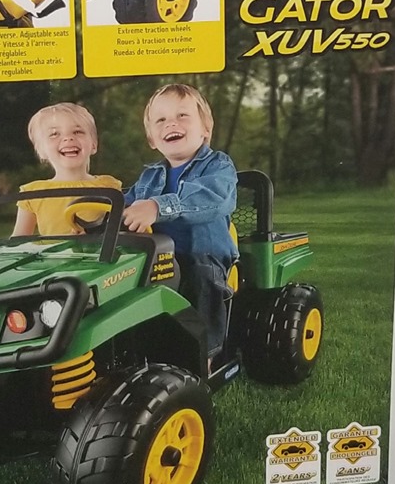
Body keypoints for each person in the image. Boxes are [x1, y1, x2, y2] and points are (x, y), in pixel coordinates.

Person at [122, 84, 238, 361]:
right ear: (152, 139)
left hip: (202, 255)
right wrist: (102, 215)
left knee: (200, 277)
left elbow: (214, 198)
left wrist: (156, 206)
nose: (171, 124)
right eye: (161, 120)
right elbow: (126, 205)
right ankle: (134, 353)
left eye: (182, 116)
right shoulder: (149, 177)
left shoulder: (218, 166)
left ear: (205, 128)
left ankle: (205, 354)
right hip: (157, 259)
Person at [14, 102, 122, 238]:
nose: (68, 138)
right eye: (54, 134)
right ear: (41, 151)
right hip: (54, 253)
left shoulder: (109, 185)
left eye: (77, 132)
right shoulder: (32, 193)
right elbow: (18, 242)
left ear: (94, 144)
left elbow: (119, 232)